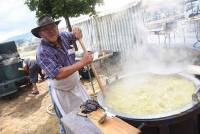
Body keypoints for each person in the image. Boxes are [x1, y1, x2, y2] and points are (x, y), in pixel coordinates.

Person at [31, 16, 93, 134]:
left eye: (53, 27)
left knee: (87, 112)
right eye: (46, 29)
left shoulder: (64, 36)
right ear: (41, 34)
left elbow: (76, 35)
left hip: (76, 85)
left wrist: (77, 30)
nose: (51, 31)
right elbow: (57, 74)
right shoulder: (42, 52)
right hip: (61, 92)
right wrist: (83, 62)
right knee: (67, 121)